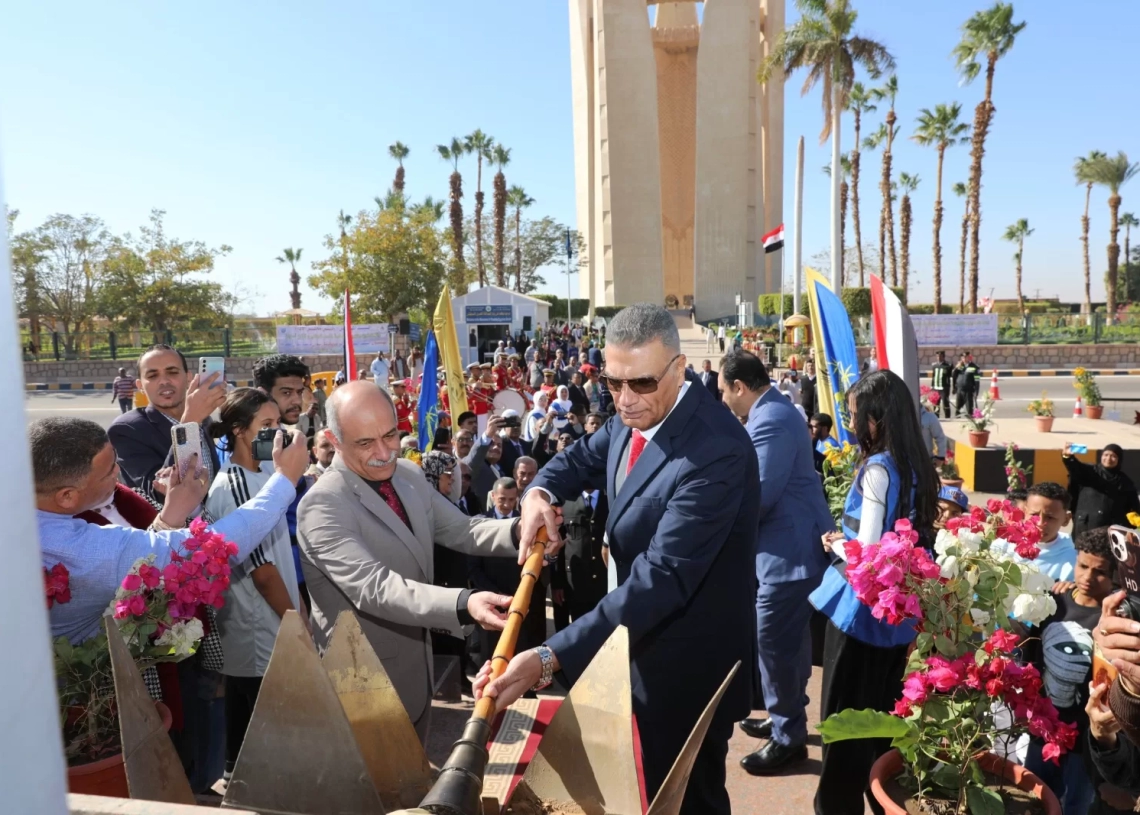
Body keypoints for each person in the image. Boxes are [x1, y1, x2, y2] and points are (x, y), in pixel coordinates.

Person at [475, 303, 760, 814]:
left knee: (686, 800)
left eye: (641, 383)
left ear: (679, 370)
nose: (625, 400)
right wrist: (539, 492)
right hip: (635, 647)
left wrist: (548, 657)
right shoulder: (636, 413)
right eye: (612, 383)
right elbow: (577, 458)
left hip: (687, 669)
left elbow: (662, 577)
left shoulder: (717, 449)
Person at [296, 383, 545, 740]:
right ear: (332, 440)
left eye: (390, 435)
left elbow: (463, 529)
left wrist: (521, 530)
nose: (384, 453)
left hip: (417, 673)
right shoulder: (322, 505)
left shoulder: (409, 476)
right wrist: (464, 602)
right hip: (362, 685)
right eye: (365, 443)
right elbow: (376, 588)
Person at [35, 416, 309, 645]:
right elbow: (204, 551)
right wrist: (284, 481)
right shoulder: (78, 551)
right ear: (67, 496)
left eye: (116, 462)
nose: (118, 472)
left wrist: (174, 513)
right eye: (108, 472)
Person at [808, 369, 940, 815]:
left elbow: (865, 552)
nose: (849, 422)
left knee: (842, 727)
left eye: (854, 414)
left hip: (859, 613)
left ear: (875, 419)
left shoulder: (878, 469)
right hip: (896, 618)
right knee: (883, 725)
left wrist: (833, 544)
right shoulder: (916, 465)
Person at [717, 350, 834, 774]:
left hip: (790, 556)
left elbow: (758, 496)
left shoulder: (769, 421)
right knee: (790, 641)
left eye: (724, 393)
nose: (724, 403)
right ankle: (788, 715)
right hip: (793, 551)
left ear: (739, 387)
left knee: (774, 642)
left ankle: (789, 738)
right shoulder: (775, 412)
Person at [204, 389, 302, 783]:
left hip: (274, 619)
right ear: (240, 432)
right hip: (259, 626)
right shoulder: (237, 483)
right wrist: (298, 624)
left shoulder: (263, 474)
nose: (277, 434)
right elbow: (262, 572)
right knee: (255, 726)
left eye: (279, 424)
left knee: (253, 720)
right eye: (266, 426)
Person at [1019, 528, 1116, 814]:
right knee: (1033, 798)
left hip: (1086, 740)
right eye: (1083, 566)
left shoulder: (1115, 619)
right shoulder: (1052, 603)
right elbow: (1031, 656)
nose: (1088, 577)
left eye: (1100, 571)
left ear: (1114, 575)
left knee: (1076, 804)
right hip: (1043, 731)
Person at [108, 345, 224, 503]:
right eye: (153, 375)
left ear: (189, 377)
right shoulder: (126, 429)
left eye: (172, 372)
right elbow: (157, 493)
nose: (164, 381)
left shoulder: (202, 417)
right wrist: (189, 423)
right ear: (140, 386)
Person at [253, 354, 313, 613]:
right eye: (286, 392)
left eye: (299, 392)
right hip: (274, 591)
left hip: (301, 574)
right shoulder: (249, 451)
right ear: (262, 393)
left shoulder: (287, 438)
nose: (296, 401)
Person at [468, 477, 546, 673]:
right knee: (491, 651)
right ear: (493, 496)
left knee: (521, 646)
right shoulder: (481, 523)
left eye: (512, 500)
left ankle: (525, 691)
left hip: (520, 597)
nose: (506, 504)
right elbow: (474, 567)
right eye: (502, 499)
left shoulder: (527, 523)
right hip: (491, 599)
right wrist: (495, 594)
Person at [1063, 444, 1140, 537]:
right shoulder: (1091, 472)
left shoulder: (1125, 482)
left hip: (1110, 531)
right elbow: (1075, 467)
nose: (1108, 458)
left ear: (1119, 459)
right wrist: (1068, 457)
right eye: (1106, 455)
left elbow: (1133, 508)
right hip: (1086, 527)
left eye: (1113, 456)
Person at [920, 392, 948, 468]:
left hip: (925, 461)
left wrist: (940, 456)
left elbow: (940, 437)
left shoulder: (929, 417)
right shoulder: (902, 417)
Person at [953, 352, 978, 417]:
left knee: (969, 409)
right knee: (957, 409)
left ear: (968, 357)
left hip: (968, 391)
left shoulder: (974, 367)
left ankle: (971, 422)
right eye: (962, 357)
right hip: (960, 390)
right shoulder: (960, 366)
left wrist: (976, 391)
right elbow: (953, 375)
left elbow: (977, 381)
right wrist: (956, 368)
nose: (963, 359)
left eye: (965, 357)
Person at [930, 351, 953, 419]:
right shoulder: (934, 365)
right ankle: (936, 418)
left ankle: (947, 417)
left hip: (944, 388)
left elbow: (951, 375)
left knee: (945, 403)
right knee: (936, 404)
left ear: (943, 357)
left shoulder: (948, 365)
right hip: (936, 388)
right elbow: (933, 376)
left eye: (940, 356)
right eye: (937, 356)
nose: (938, 358)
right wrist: (932, 386)